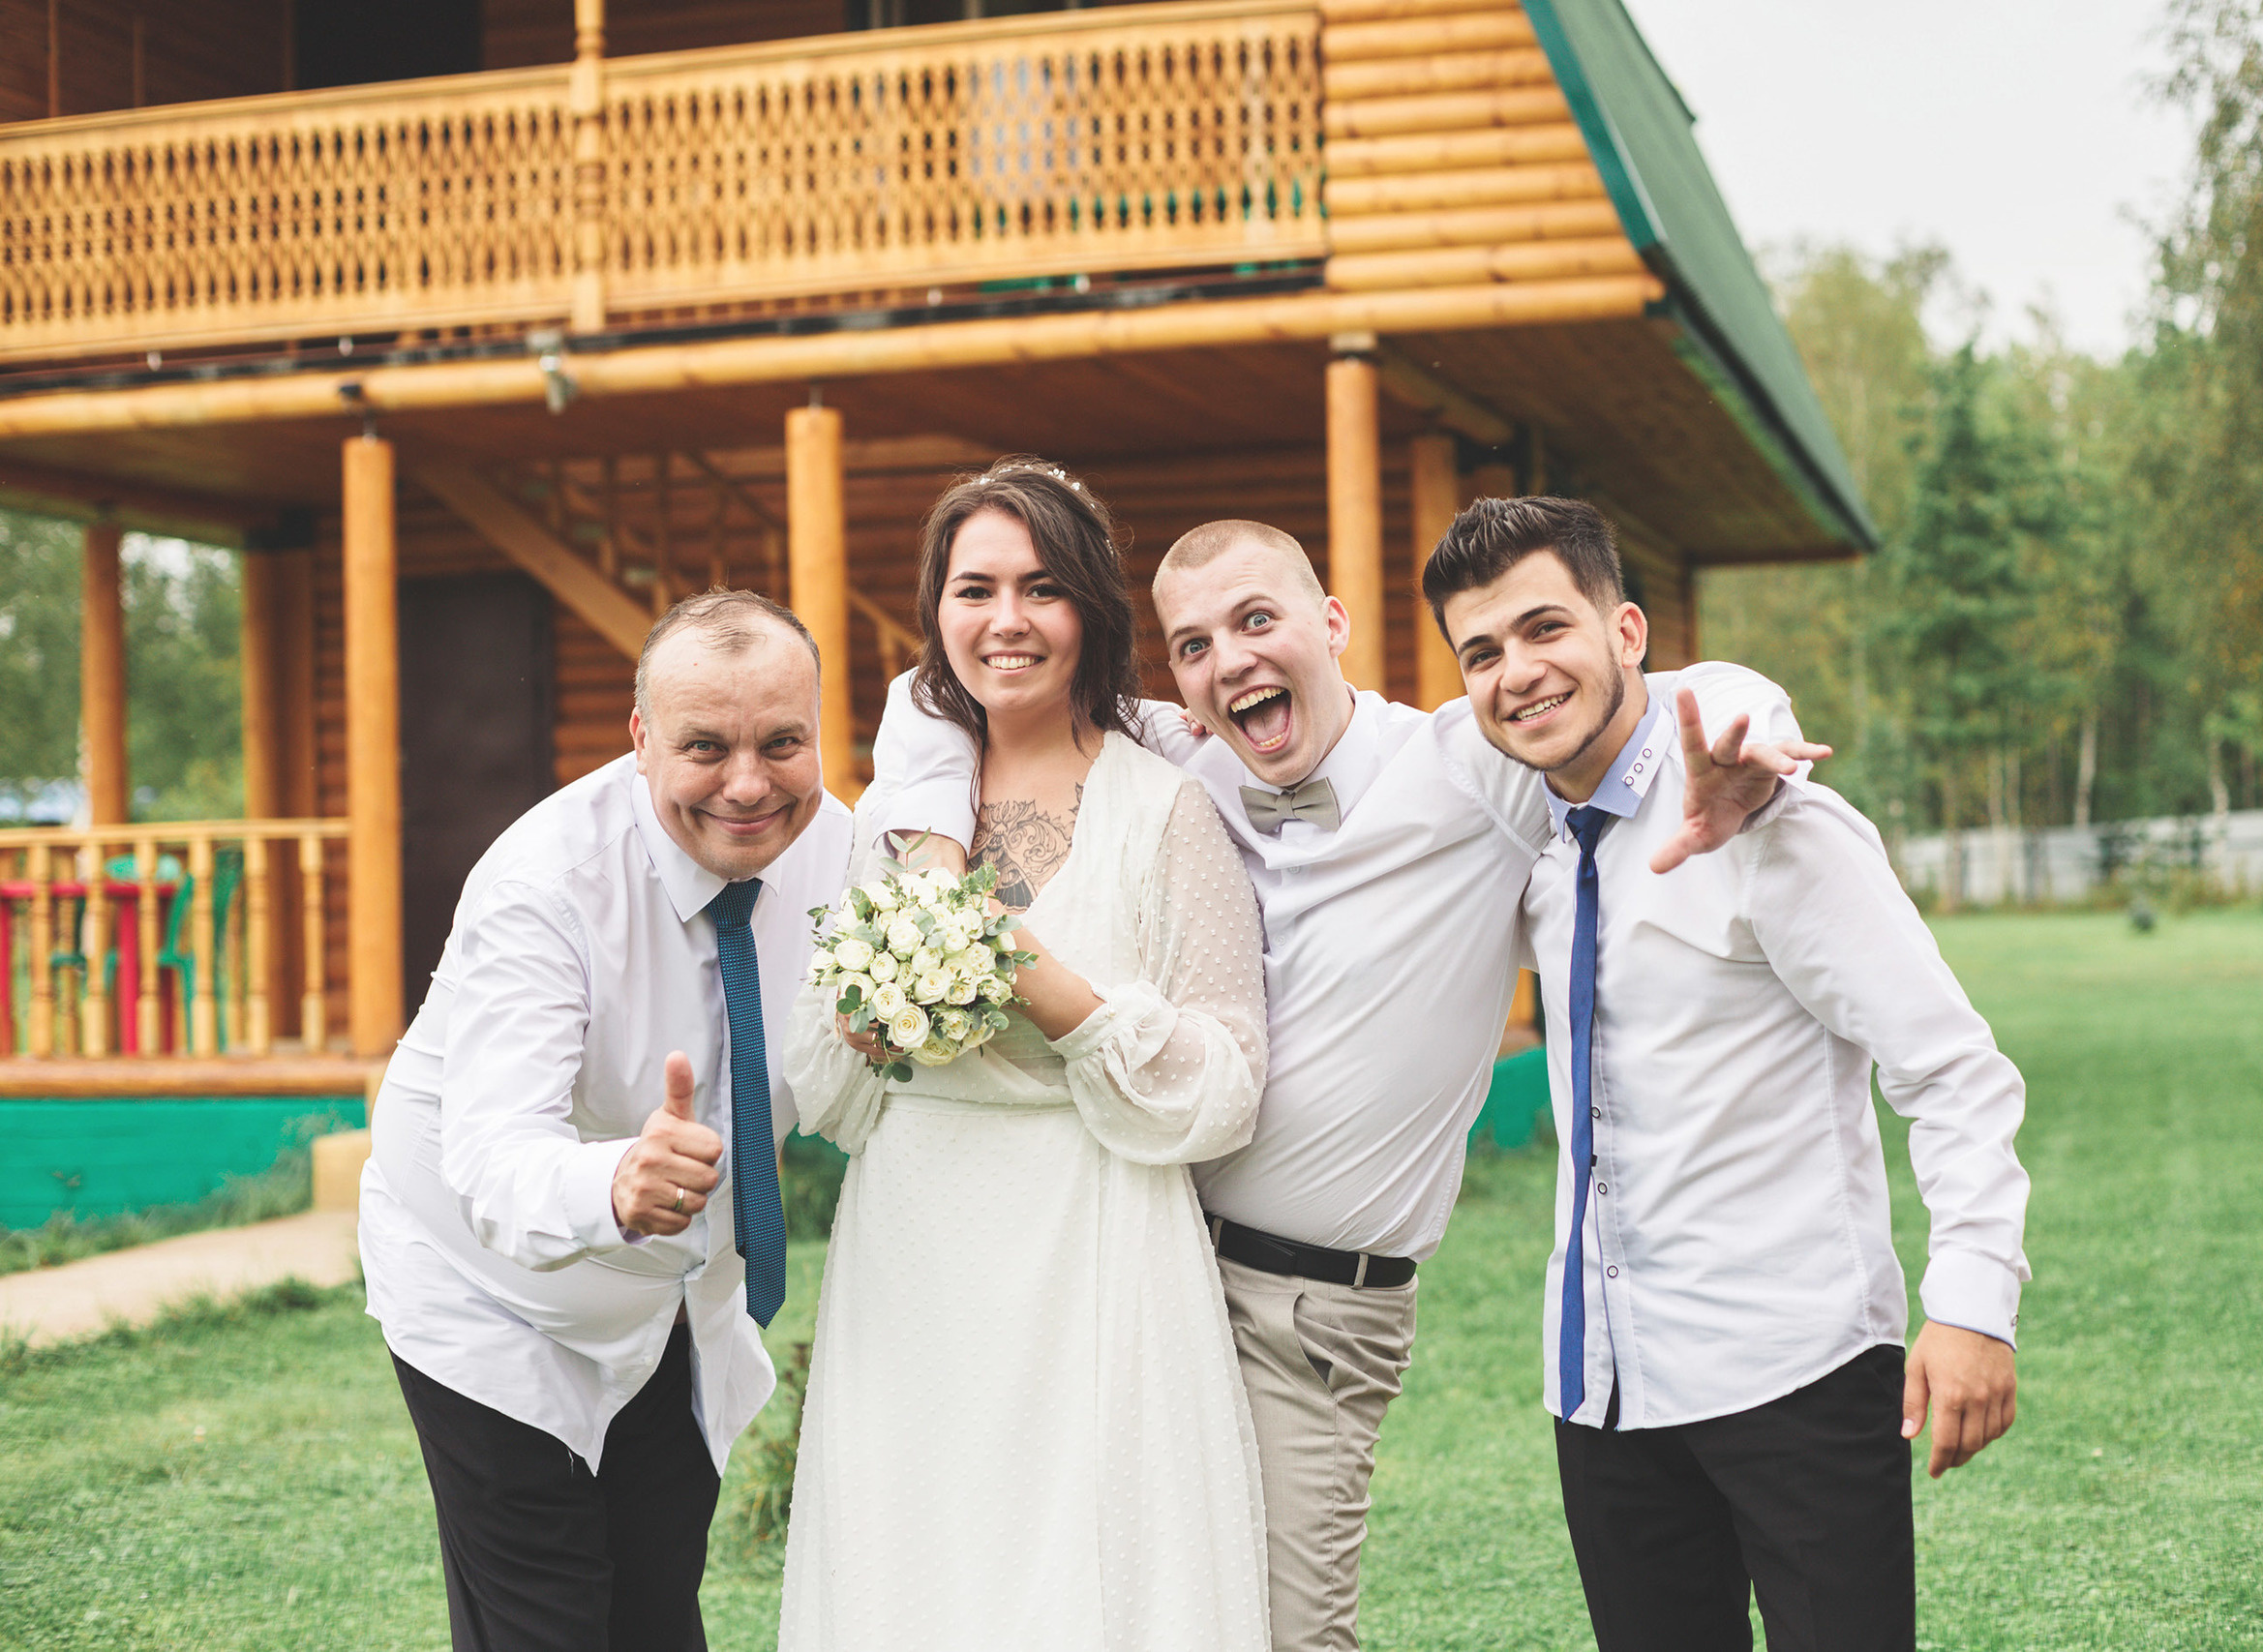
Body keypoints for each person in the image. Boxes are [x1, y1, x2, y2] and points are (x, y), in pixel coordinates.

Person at [871, 516, 1806, 1651]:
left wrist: (1750, 723)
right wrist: (927, 847)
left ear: (1331, 623)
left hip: (1310, 1310)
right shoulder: (1179, 762)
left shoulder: (1471, 770)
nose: (1232, 661)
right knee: (1120, 1609)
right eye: (1198, 646)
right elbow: (934, 698)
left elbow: (1661, 690)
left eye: (1258, 622)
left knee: (1283, 1631)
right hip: (1140, 1265)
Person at [1422, 496, 2032, 1652]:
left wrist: (1971, 1307)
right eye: (1483, 653)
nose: (1518, 673)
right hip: (1599, 1387)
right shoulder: (1528, 831)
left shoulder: (1776, 825)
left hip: (1793, 1371)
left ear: (1629, 632)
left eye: (1546, 629)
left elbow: (1952, 1071)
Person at [776, 461, 1272, 1652]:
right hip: (917, 1241)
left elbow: (1226, 1080)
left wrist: (1046, 988)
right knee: (916, 1557)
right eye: (974, 589)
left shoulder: (1167, 808)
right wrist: (860, 1020)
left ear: (1091, 610)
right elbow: (824, 1088)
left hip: (1094, 1230)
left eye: (1041, 588)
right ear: (937, 613)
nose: (1005, 621)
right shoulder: (896, 817)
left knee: (1088, 1571)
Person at [358, 589, 854, 1652]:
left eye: (782, 742)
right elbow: (488, 1153)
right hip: (486, 1292)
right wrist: (613, 1183)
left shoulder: (843, 860)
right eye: (704, 747)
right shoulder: (544, 885)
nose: (748, 785)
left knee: (656, 1604)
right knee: (545, 1618)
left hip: (681, 1295)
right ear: (639, 740)